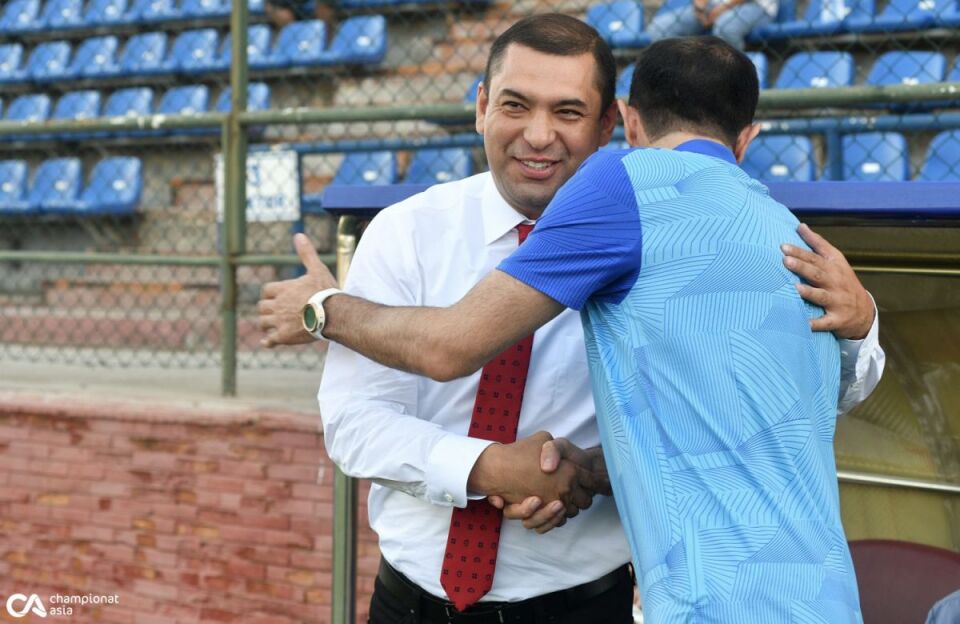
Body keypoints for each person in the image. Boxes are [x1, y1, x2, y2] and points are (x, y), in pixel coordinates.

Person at [258, 21, 884, 623]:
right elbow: (356, 425)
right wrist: (488, 468)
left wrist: (323, 308)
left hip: (591, 604)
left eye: (567, 112)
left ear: (616, 125)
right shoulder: (405, 230)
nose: (538, 135)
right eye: (515, 105)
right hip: (413, 602)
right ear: (481, 107)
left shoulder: (648, 206)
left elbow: (733, 409)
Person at [646, 0, 777, 50]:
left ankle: (733, 76)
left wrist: (722, 9)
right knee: (659, 27)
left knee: (725, 28)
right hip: (713, 4)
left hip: (755, 4)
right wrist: (699, 7)